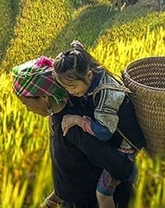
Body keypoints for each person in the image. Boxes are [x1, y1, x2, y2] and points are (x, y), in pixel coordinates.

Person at [13, 56, 134, 208]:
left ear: (44, 97)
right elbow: (73, 169)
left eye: (27, 104)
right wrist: (55, 198)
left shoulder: (72, 127)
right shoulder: (56, 119)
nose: (28, 110)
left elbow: (119, 166)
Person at [53, 41, 145, 208]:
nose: (70, 92)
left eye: (73, 87)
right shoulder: (92, 74)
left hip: (125, 148)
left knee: (102, 194)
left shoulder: (106, 96)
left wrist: (77, 120)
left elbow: (104, 132)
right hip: (115, 139)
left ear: (88, 76)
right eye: (66, 88)